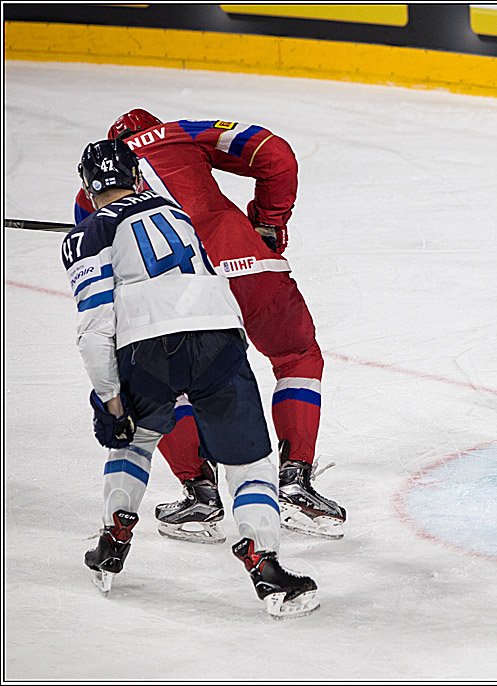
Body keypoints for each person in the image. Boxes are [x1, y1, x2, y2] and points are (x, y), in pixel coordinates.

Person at [65, 139, 319, 617]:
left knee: (134, 440)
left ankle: (113, 539)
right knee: (249, 464)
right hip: (219, 338)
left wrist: (111, 399)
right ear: (136, 177)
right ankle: (265, 565)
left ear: (87, 186)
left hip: (147, 347)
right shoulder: (173, 210)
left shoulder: (86, 235)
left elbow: (95, 328)